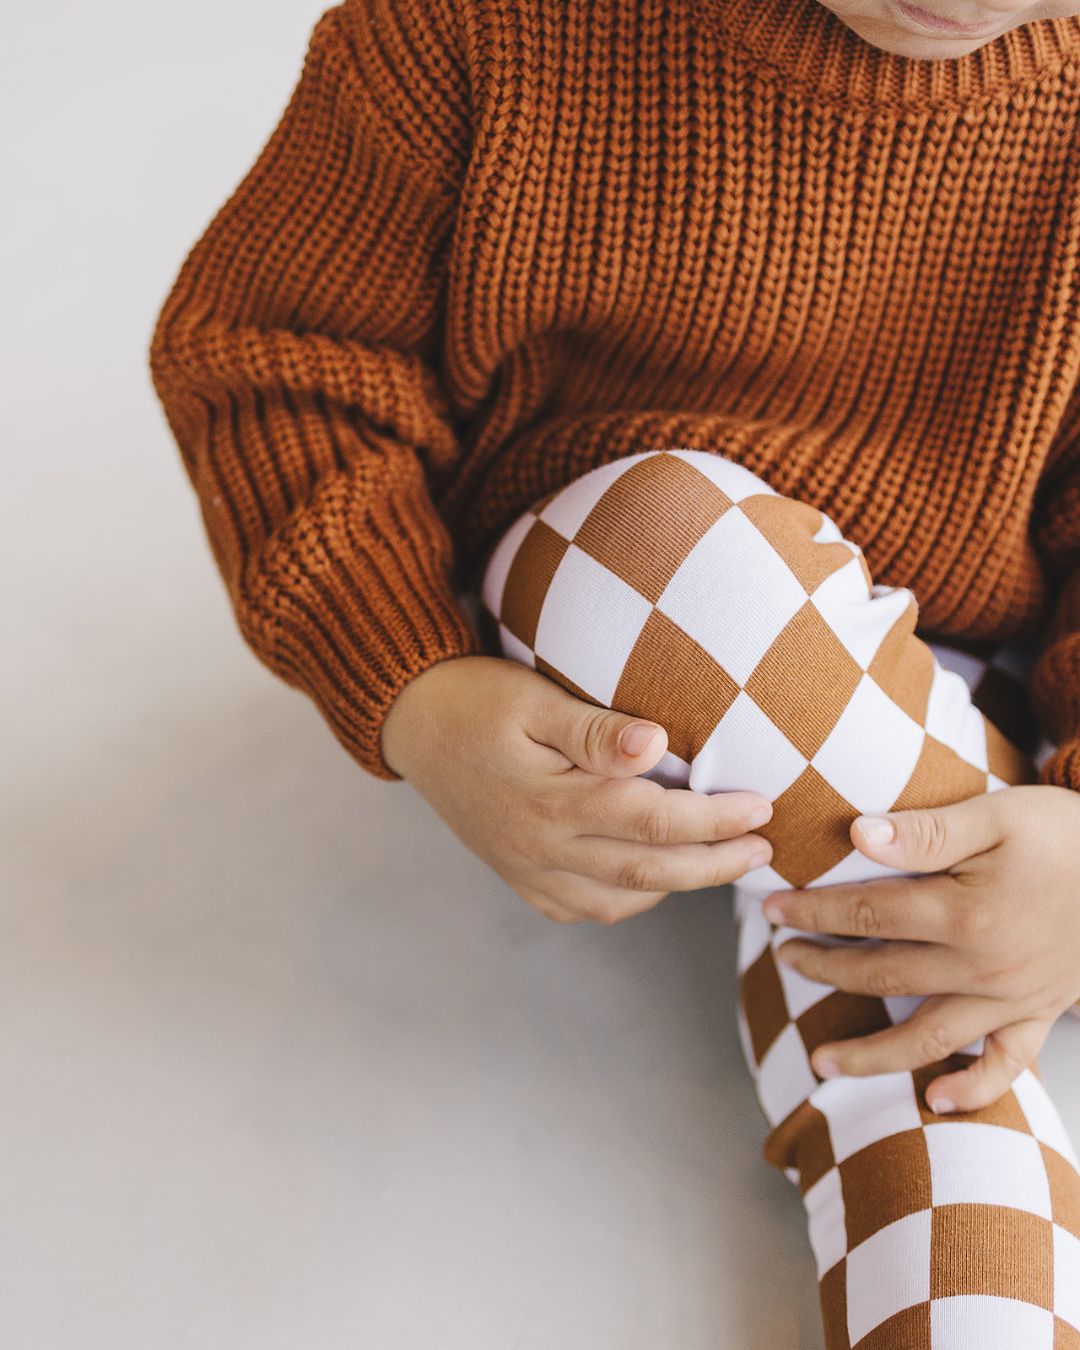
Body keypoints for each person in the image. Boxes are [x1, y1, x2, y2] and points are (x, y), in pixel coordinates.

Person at [149, 0, 1080, 1342]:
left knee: (914, 1068)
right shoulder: (477, 30)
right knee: (666, 539)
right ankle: (962, 907)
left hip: (961, 675)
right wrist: (417, 689)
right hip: (605, 602)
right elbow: (280, 370)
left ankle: (962, 933)